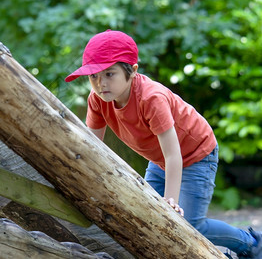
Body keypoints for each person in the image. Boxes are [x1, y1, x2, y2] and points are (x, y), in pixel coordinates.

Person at [65, 29, 262, 258]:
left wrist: (171, 200)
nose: (100, 84)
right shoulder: (97, 100)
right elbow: (92, 149)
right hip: (160, 161)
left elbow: (173, 154)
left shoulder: (151, 99)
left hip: (195, 155)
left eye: (109, 74)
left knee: (186, 225)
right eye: (94, 76)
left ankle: (250, 244)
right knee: (145, 215)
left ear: (132, 72)